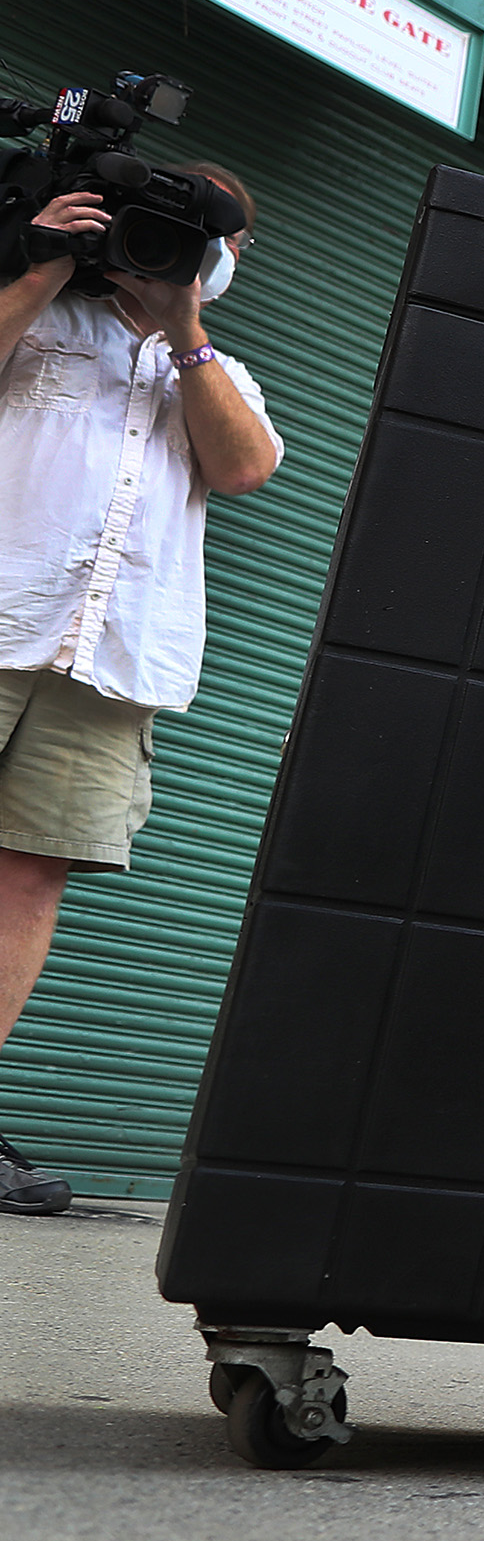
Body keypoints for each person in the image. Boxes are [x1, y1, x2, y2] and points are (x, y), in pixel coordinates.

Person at [0, 174, 279, 1215]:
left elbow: (244, 466)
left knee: (28, 881)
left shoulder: (218, 369)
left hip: (110, 663)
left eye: (205, 239)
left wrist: (183, 331)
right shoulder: (37, 311)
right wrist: (44, 264)